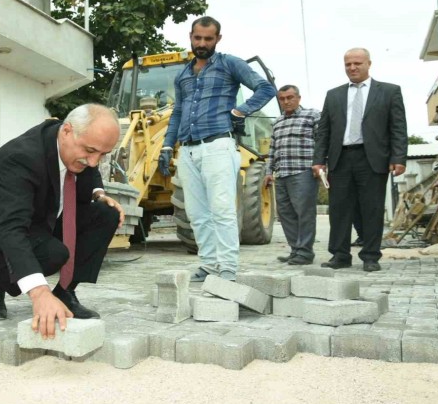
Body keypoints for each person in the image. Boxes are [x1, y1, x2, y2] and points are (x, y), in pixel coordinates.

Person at [0, 104, 124, 339]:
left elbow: (91, 167)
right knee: (54, 254)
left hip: (41, 220)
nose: (94, 162)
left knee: (106, 213)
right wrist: (39, 293)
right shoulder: (22, 157)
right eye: (90, 150)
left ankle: (65, 292)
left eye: (103, 154)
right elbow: (11, 227)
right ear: (66, 131)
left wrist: (99, 193)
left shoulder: (77, 145)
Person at [157, 16, 276, 282]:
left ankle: (228, 268)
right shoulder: (183, 75)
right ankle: (209, 264)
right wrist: (167, 145)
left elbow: (266, 88)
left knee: (221, 210)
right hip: (187, 150)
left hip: (218, 145)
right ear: (190, 36)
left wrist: (240, 110)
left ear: (217, 39)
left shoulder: (229, 63)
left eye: (208, 39)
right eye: (197, 38)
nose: (202, 43)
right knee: (197, 214)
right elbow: (177, 113)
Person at [313, 48, 407, 272]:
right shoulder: (333, 95)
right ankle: (340, 255)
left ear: (368, 64)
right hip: (340, 158)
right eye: (348, 64)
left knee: (372, 208)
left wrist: (399, 157)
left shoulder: (389, 91)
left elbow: (398, 127)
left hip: (373, 158)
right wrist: (319, 160)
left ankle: (371, 256)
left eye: (357, 63)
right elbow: (323, 131)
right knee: (339, 209)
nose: (352, 68)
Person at [264, 85, 320, 266]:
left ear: (299, 98)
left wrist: (322, 165)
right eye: (282, 99)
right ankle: (295, 250)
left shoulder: (312, 115)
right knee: (285, 214)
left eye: (290, 97)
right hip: (282, 174)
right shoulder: (278, 122)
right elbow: (272, 149)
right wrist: (268, 171)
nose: (286, 102)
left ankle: (305, 252)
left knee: (304, 213)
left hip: (303, 171)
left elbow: (322, 142)